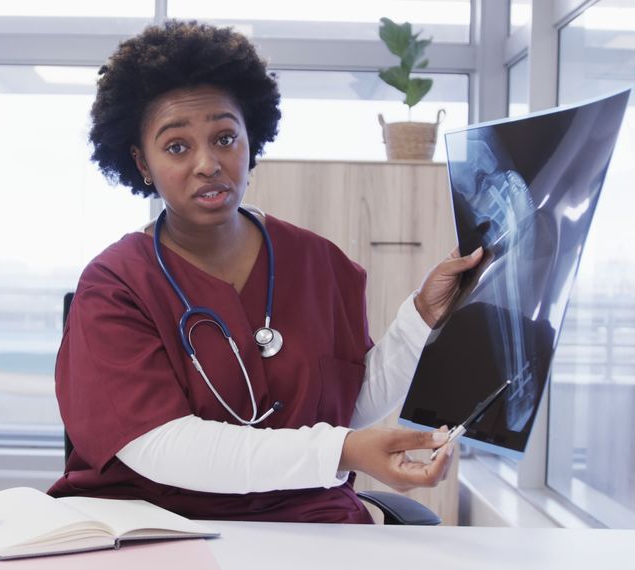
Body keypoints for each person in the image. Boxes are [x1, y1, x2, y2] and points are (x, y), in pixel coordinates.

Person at [47, 20, 483, 524]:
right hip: (158, 524)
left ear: (251, 138)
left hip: (305, 517)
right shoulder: (116, 285)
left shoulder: (317, 262)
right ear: (140, 161)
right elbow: (161, 446)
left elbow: (346, 405)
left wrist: (422, 315)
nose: (208, 163)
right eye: (177, 147)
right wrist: (342, 451)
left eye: (225, 137)